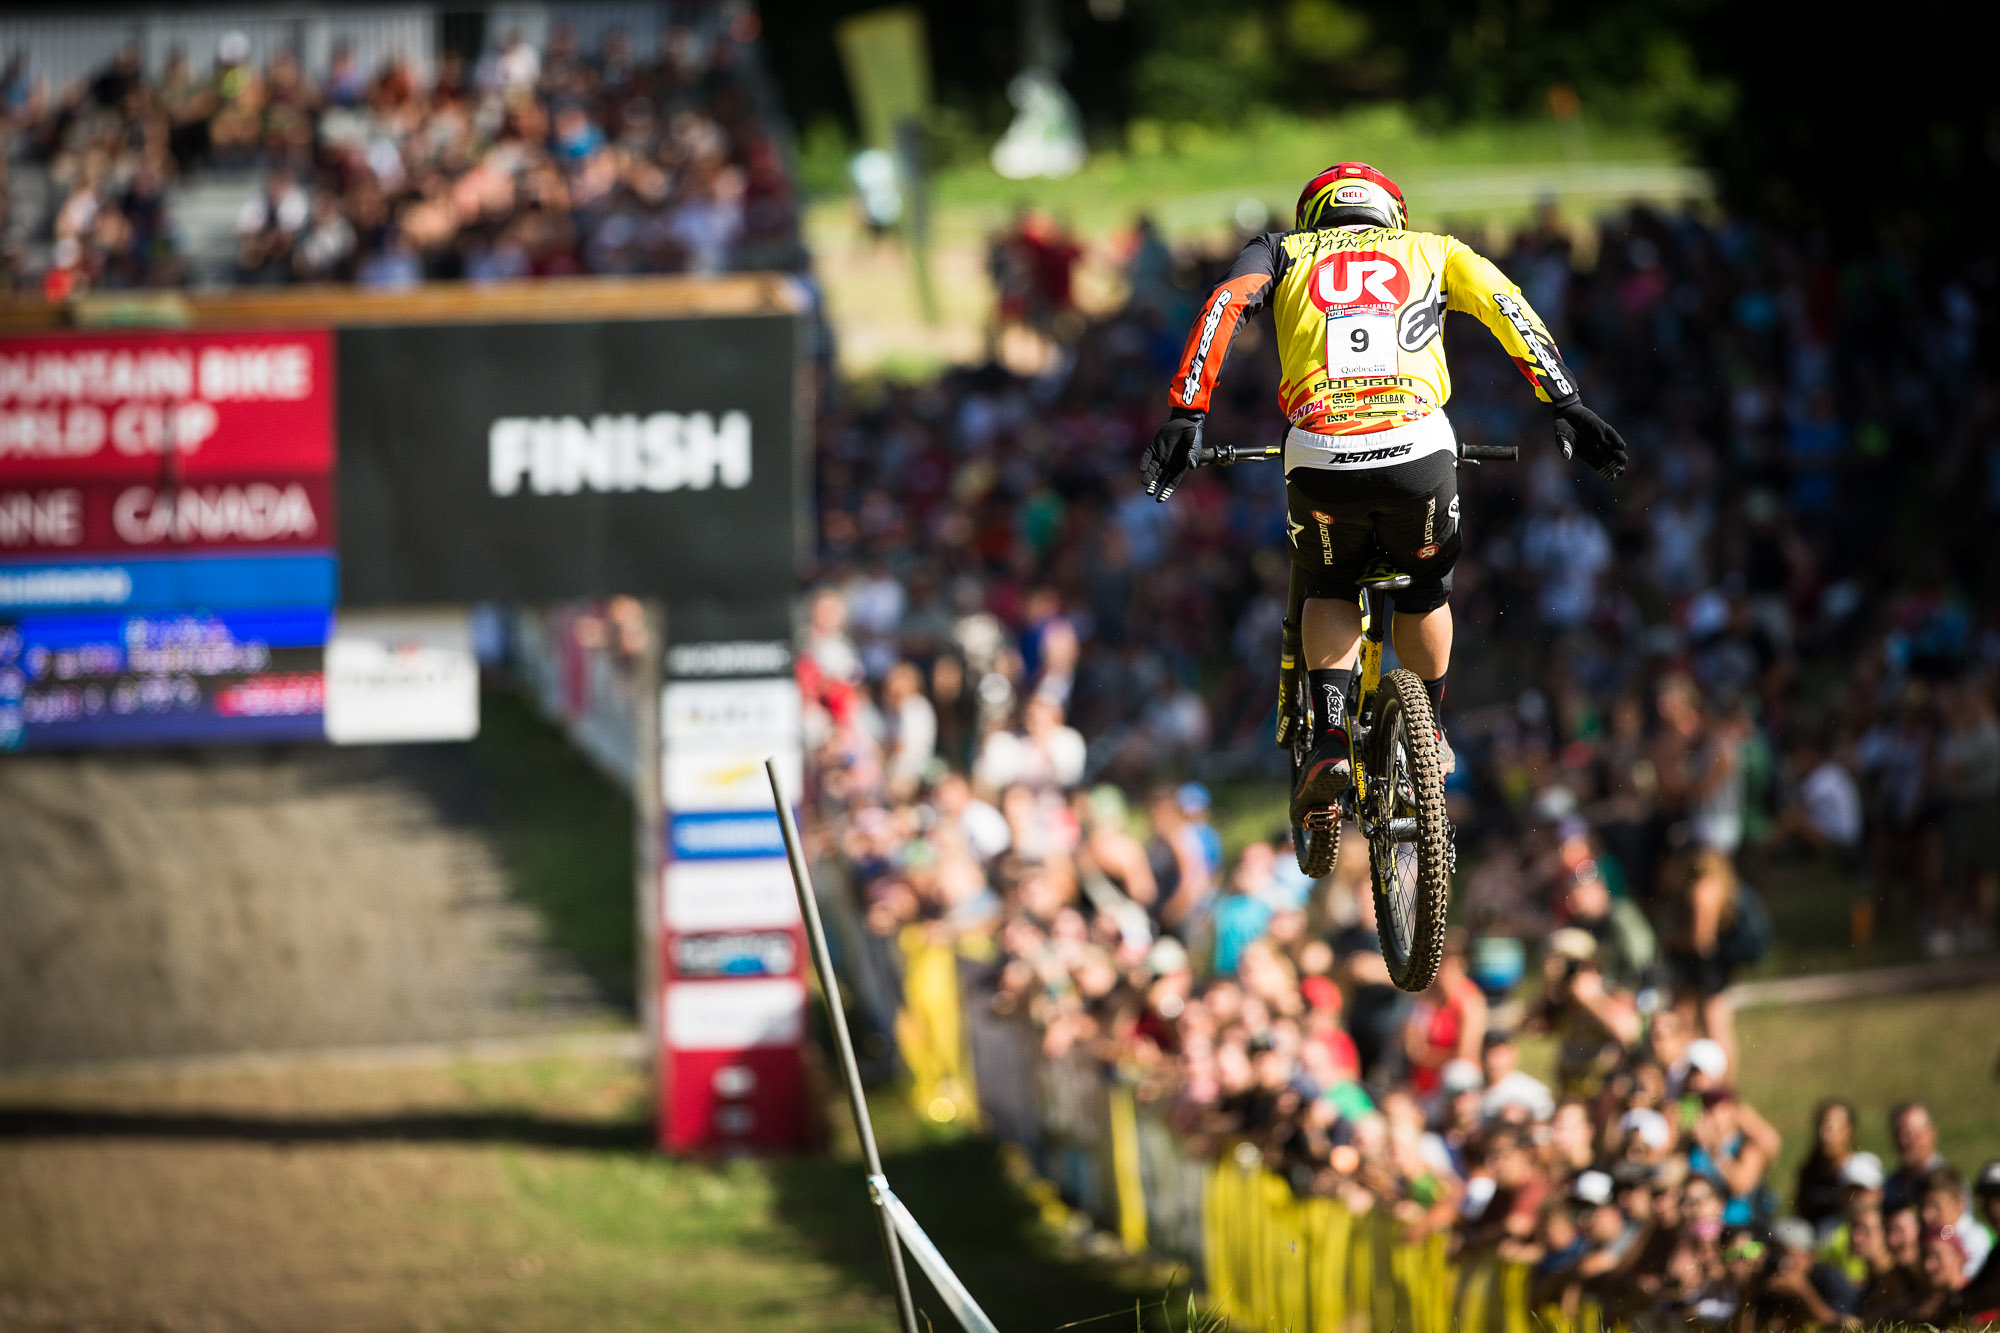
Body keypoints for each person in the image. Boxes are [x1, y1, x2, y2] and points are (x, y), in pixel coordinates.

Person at [1138, 162, 1629, 816]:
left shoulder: (1281, 250)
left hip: (1321, 451)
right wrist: (1564, 402)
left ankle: (1330, 737)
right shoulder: (1434, 249)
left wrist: (1187, 412)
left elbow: (1224, 306)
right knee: (1425, 588)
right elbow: (1508, 305)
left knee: (1330, 584)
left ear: (1314, 215)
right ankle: (1431, 732)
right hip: (1418, 448)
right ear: (1391, 213)